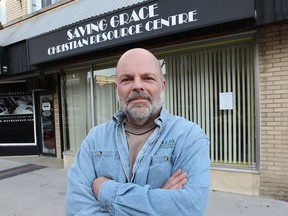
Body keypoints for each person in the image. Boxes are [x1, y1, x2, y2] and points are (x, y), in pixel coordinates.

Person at [66, 48, 211, 215]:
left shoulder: (189, 137)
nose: (137, 85)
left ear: (162, 86)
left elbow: (190, 208)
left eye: (147, 78)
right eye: (127, 79)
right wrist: (160, 201)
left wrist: (106, 190)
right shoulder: (95, 139)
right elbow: (77, 210)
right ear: (117, 88)